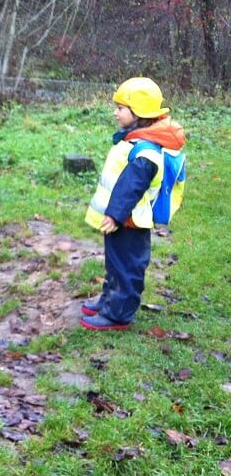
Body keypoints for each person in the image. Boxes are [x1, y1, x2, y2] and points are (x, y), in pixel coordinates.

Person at [81, 77, 185, 330]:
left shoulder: (145, 152)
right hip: (121, 219)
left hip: (129, 220)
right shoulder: (135, 139)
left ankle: (118, 315)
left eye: (120, 108)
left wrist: (115, 215)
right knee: (115, 263)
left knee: (127, 267)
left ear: (139, 112)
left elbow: (131, 187)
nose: (115, 113)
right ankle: (109, 300)